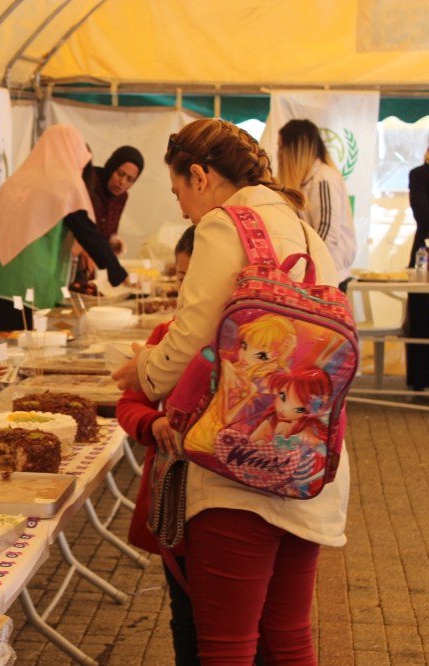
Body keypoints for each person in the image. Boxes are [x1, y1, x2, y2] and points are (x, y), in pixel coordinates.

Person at [112, 118, 350, 665]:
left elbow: (191, 340)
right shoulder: (302, 224)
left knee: (226, 645)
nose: (181, 210)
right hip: (309, 456)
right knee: (289, 636)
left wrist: (144, 371)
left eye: (178, 192)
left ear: (200, 175)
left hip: (239, 463)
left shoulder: (226, 223)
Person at [116, 224, 199, 665]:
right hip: (173, 508)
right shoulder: (166, 335)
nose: (186, 288)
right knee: (184, 615)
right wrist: (153, 422)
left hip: (222, 507)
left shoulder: (242, 344)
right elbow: (127, 406)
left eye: (195, 277)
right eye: (180, 276)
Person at [0, 125, 128, 342]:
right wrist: (117, 273)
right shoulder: (61, 186)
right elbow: (87, 232)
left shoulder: (15, 181)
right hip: (29, 282)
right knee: (26, 352)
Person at [278, 119, 356, 291]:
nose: (279, 154)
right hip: (317, 272)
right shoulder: (308, 180)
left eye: (281, 146)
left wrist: (307, 265)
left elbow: (327, 232)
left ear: (297, 148)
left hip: (328, 274)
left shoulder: (323, 178)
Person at [406, 141, 429, 390]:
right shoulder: (419, 175)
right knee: (421, 317)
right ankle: (419, 382)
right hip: (424, 253)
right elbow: (423, 215)